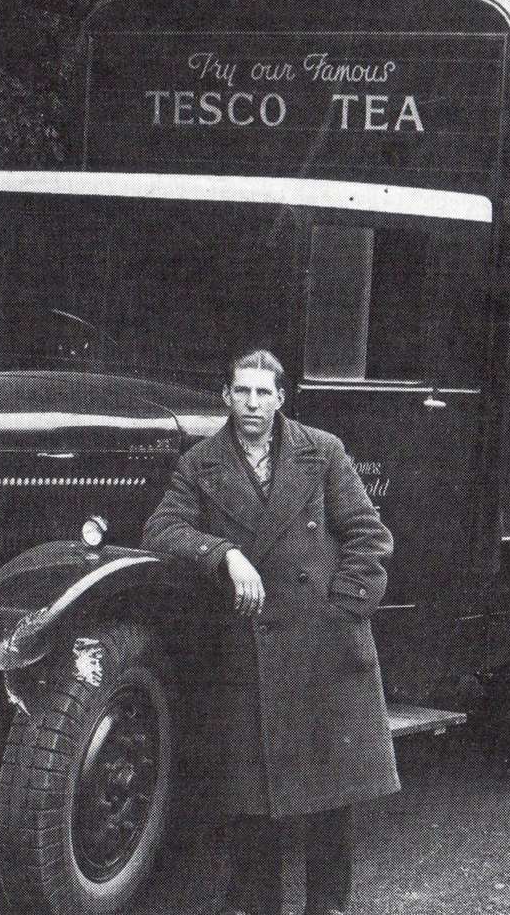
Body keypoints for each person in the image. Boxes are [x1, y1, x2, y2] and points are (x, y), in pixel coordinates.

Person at [142, 348, 398, 915]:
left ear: (282, 398)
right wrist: (223, 553)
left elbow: (368, 536)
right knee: (253, 804)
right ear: (226, 398)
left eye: (264, 393)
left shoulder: (322, 452)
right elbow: (161, 529)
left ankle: (327, 907)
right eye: (243, 392)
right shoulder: (201, 464)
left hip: (322, 645)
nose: (253, 404)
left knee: (331, 798)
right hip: (248, 647)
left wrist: (341, 611)